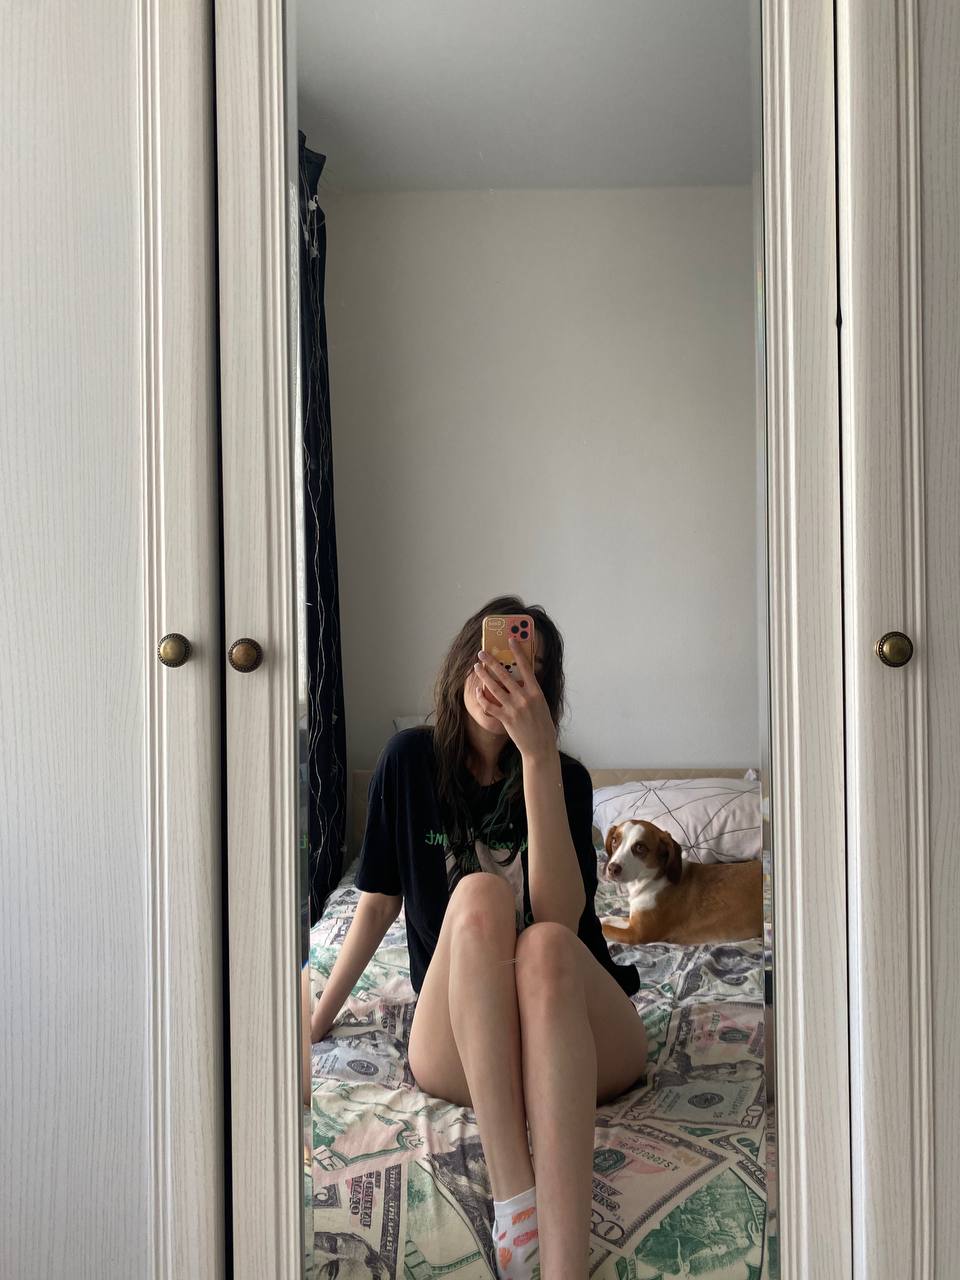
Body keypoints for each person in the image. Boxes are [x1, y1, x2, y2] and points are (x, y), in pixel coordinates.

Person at [309, 596, 647, 1280]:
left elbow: (560, 917)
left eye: (528, 667)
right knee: (480, 895)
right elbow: (377, 905)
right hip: (461, 1044)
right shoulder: (408, 762)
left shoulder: (565, 775)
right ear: (466, 661)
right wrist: (318, 1016)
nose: (506, 675)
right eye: (497, 655)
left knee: (544, 944)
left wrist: (538, 758)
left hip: (578, 1035)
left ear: (544, 689)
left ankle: (563, 1269)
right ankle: (515, 1197)